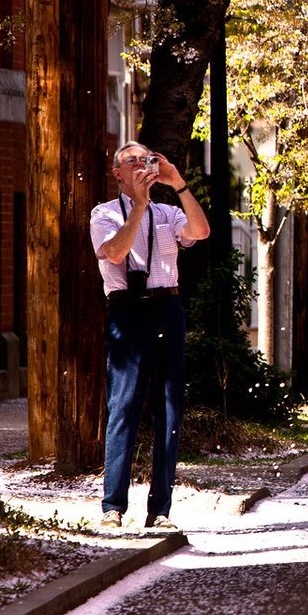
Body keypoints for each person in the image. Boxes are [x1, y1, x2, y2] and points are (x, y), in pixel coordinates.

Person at [90, 142, 210, 531]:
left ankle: (160, 509)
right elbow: (114, 253)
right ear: (117, 174)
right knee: (123, 407)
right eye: (132, 161)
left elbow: (201, 231)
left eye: (147, 160)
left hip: (167, 307)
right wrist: (139, 205)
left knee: (169, 409)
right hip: (128, 309)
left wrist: (178, 184)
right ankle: (113, 507)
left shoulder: (168, 212)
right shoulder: (104, 213)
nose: (141, 166)